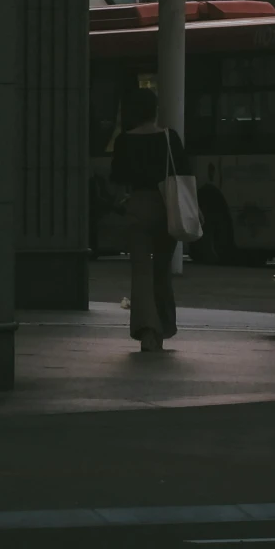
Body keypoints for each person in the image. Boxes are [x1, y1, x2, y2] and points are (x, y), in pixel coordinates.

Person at [109, 87, 188, 354]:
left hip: (139, 206)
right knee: (162, 269)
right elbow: (185, 174)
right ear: (155, 110)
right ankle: (165, 325)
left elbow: (119, 185)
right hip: (168, 207)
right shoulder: (170, 138)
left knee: (141, 271)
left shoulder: (123, 141)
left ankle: (148, 330)